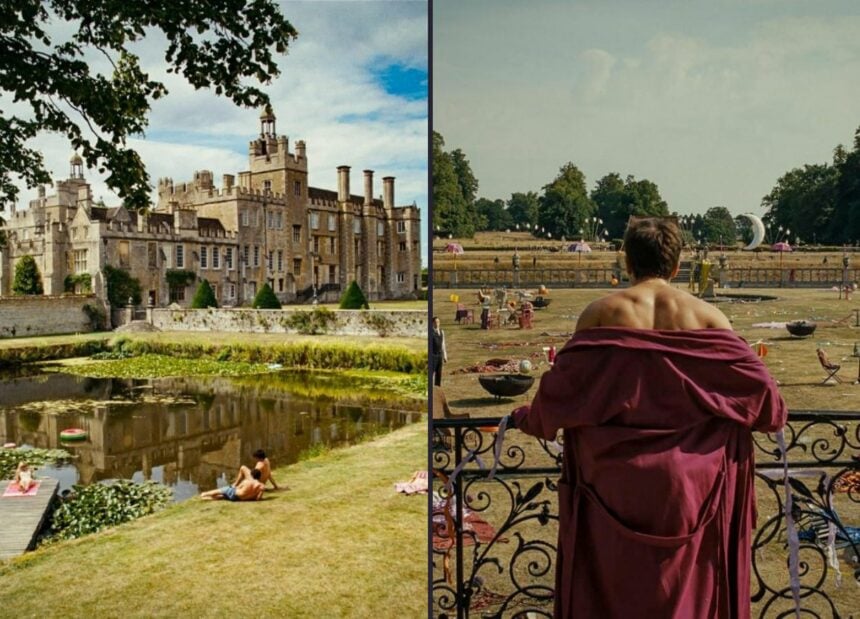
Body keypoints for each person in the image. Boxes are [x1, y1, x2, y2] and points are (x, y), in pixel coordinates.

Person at [509, 217, 787, 618]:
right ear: (676, 266)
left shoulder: (601, 313)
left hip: (611, 484)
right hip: (693, 490)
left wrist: (525, 417)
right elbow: (766, 404)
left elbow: (559, 396)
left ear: (626, 262)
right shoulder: (709, 318)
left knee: (613, 596)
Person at [431, 316, 447, 387]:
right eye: (435, 322)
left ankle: (437, 388)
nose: (437, 324)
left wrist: (445, 356)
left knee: (439, 373)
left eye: (438, 322)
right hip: (433, 355)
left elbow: (443, 344)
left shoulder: (441, 332)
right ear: (432, 323)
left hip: (440, 355)